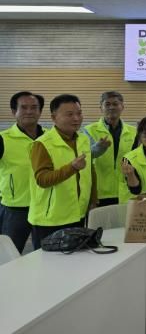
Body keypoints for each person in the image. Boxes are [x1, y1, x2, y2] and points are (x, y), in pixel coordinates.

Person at [29, 94, 96, 249]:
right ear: (54, 117)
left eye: (79, 113)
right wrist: (72, 167)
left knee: (75, 259)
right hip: (50, 219)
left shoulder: (83, 139)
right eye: (69, 114)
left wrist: (93, 200)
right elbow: (42, 179)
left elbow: (90, 170)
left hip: (78, 213)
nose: (76, 118)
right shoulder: (42, 144)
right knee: (49, 262)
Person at [0, 92, 46, 252]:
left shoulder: (49, 137)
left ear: (40, 111)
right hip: (15, 208)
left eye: (34, 107)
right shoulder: (3, 139)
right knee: (9, 253)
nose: (29, 111)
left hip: (45, 206)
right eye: (24, 107)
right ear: (14, 112)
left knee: (46, 253)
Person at [85, 91, 136, 205]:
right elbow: (84, 156)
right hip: (98, 193)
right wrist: (97, 149)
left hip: (126, 192)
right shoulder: (89, 130)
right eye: (107, 104)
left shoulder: (134, 132)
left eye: (115, 104)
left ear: (122, 107)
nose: (111, 107)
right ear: (101, 108)